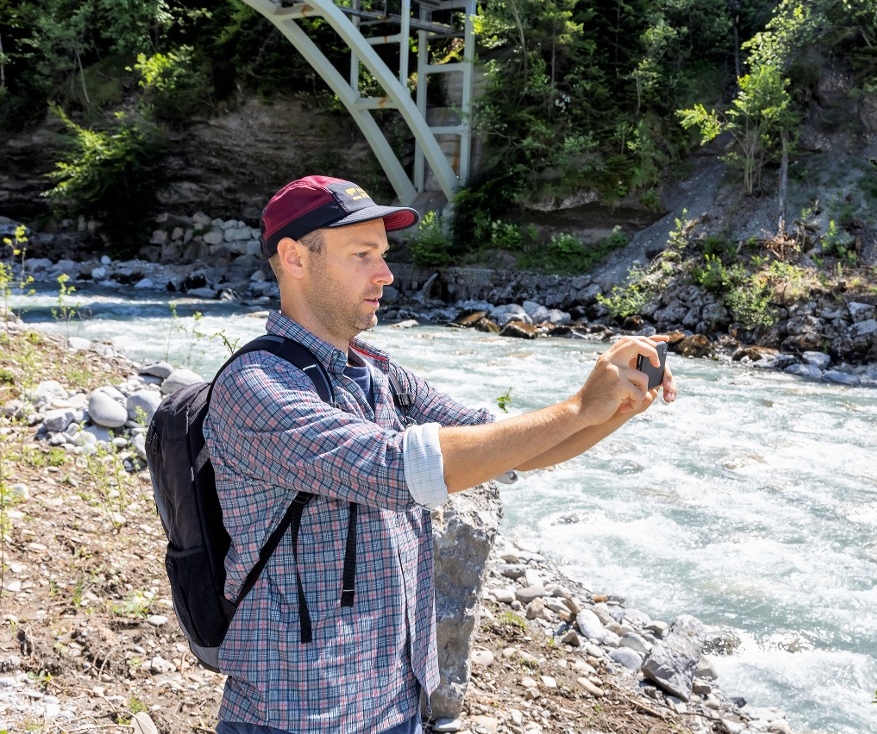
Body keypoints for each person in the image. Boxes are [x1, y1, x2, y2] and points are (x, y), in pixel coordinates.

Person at [204, 175, 676, 734]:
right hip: (295, 715)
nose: (386, 274)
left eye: (383, 254)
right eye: (362, 255)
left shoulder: (375, 370)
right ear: (294, 258)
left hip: (395, 702)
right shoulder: (256, 387)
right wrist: (578, 406)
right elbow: (402, 468)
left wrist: (612, 409)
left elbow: (505, 446)